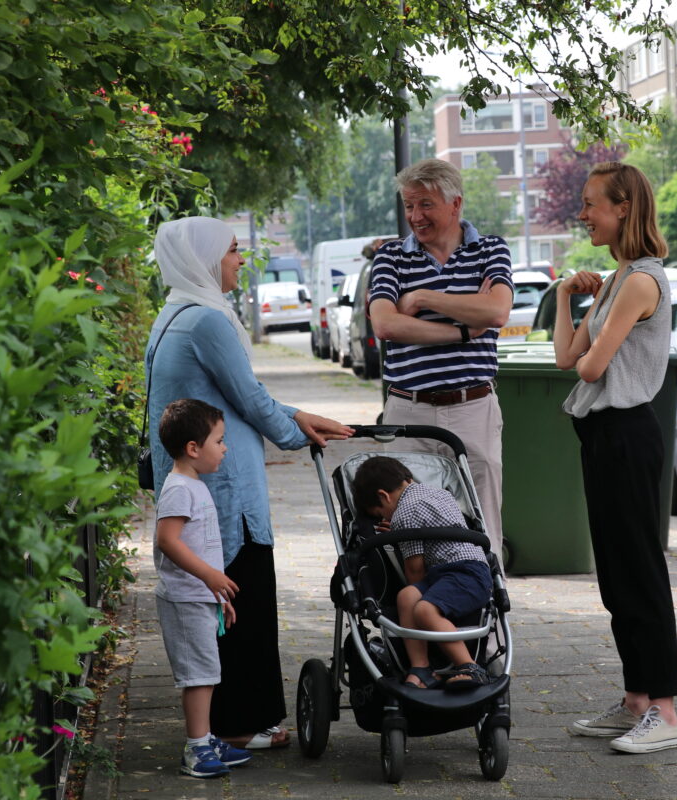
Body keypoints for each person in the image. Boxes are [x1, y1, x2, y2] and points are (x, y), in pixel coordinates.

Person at [146, 217, 353, 750]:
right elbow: (251, 398)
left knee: (230, 607)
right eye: (233, 250)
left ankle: (236, 721)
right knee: (240, 603)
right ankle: (236, 726)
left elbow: (243, 393)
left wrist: (301, 414)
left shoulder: (174, 314)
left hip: (203, 487)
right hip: (225, 494)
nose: (241, 260)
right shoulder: (208, 323)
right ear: (204, 258)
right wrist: (298, 432)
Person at [552, 162, 677, 754]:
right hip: (603, 436)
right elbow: (564, 357)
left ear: (624, 207)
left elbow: (591, 367)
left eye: (591, 204)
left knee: (640, 572)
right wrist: (564, 297)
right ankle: (636, 700)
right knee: (615, 575)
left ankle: (665, 711)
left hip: (629, 434)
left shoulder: (641, 282)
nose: (583, 213)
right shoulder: (615, 280)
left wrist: (593, 338)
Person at [369, 158, 514, 559]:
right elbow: (385, 324)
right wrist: (464, 329)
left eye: (425, 205)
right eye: (409, 206)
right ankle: (419, 613)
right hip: (409, 412)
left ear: (455, 204)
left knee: (482, 520)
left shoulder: (491, 248)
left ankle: (488, 611)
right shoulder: (391, 258)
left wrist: (421, 299)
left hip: (473, 407)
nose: (415, 216)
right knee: (407, 522)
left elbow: (497, 312)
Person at [153, 399, 253, 777]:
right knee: (199, 675)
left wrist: (215, 595)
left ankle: (205, 737)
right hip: (184, 598)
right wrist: (210, 578)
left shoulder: (192, 485)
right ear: (193, 449)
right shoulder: (179, 489)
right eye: (219, 440)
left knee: (207, 670)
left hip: (198, 598)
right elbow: (169, 540)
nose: (224, 448)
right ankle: (196, 748)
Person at [351, 456, 492, 690]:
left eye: (381, 514)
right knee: (407, 596)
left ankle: (470, 667)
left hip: (466, 573)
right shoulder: (437, 493)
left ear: (383, 496)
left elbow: (415, 569)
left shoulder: (405, 513)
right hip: (459, 570)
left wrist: (399, 527)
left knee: (423, 609)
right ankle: (421, 669)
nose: (384, 519)